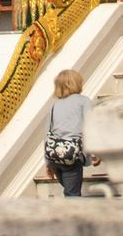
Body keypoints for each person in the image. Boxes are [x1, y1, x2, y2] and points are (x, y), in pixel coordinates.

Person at [44, 65, 89, 198]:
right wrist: (95, 152)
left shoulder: (55, 105)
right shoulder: (83, 101)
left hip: (54, 154)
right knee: (72, 195)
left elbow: (47, 133)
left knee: (70, 191)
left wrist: (47, 162)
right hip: (72, 153)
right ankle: (70, 218)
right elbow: (91, 125)